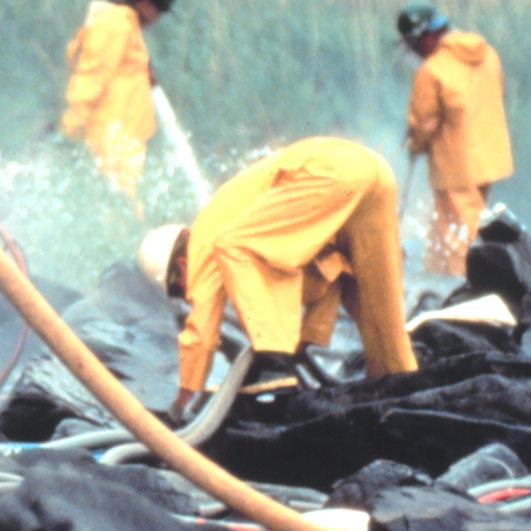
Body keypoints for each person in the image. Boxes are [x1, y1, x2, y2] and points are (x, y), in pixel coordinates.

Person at [139, 137, 418, 424]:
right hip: (373, 170)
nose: (184, 293)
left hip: (334, 173)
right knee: (376, 305)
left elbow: (201, 332)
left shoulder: (202, 244)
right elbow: (321, 270)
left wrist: (178, 407)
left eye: (176, 286)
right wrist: (303, 342)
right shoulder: (230, 212)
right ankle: (406, 394)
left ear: (180, 265)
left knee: (235, 245)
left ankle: (273, 362)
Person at [399, 1, 514, 276]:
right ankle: (436, 278)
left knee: (459, 236)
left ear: (427, 37)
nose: (414, 51)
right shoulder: (487, 54)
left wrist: (414, 145)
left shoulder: (432, 70)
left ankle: (461, 291)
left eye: (413, 43)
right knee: (451, 225)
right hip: (490, 160)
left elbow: (424, 124)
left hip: (456, 166)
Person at [59, 0, 180, 199]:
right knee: (110, 208)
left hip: (120, 148)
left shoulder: (127, 29)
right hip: (106, 145)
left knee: (122, 209)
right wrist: (71, 128)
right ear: (147, 2)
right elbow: (91, 76)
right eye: (162, 9)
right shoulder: (116, 25)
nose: (160, 17)